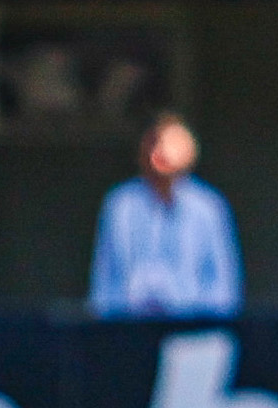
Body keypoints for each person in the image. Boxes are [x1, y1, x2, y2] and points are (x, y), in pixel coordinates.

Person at [89, 113, 241, 318]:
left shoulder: (208, 208)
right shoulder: (121, 205)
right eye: (156, 143)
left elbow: (223, 289)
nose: (163, 152)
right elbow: (104, 283)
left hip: (192, 334)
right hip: (130, 331)